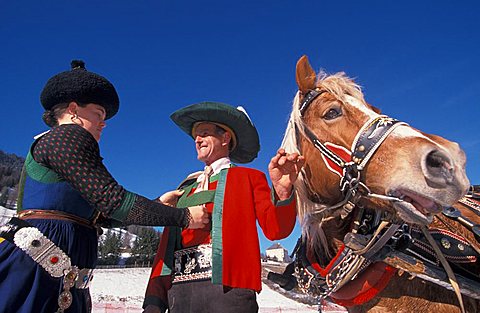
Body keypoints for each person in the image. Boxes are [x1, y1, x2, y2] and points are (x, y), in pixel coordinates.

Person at [0, 60, 208, 313]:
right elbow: (114, 201)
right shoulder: (68, 135)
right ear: (74, 109)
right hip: (37, 272)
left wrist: (158, 204)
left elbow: (104, 215)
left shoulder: (60, 144)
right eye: (99, 114)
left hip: (50, 272)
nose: (104, 123)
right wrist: (184, 216)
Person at [143, 101, 305, 313]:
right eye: (195, 136)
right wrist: (154, 302)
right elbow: (165, 250)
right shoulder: (183, 190)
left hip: (229, 295)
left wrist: (283, 192)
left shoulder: (249, 178)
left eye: (204, 133)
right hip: (179, 297)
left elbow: (276, 230)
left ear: (225, 137)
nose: (197, 140)